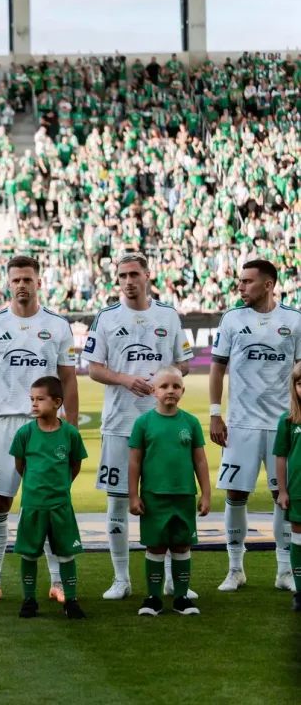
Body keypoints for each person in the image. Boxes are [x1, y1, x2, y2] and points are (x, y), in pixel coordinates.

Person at [0, 256, 78, 605]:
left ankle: (57, 581)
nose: (21, 285)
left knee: (50, 502)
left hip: (46, 425)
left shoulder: (57, 325)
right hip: (4, 424)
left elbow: (69, 379)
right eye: (16, 279)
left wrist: (72, 427)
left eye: (27, 279)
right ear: (8, 284)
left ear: (38, 283)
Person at [85, 254, 193, 600]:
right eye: (122, 276)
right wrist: (125, 379)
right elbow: (93, 368)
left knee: (166, 500)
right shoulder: (106, 317)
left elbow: (184, 364)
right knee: (118, 502)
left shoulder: (169, 315)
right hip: (120, 423)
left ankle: (173, 580)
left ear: (147, 276)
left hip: (163, 423)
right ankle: (121, 579)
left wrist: (164, 378)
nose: (128, 281)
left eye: (134, 274)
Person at [210, 259, 301, 592]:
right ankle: (235, 568)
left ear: (268, 284)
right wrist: (215, 413)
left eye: (247, 281)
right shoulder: (232, 319)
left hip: (282, 423)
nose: (240, 287)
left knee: (282, 495)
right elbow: (217, 367)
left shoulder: (294, 320)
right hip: (241, 423)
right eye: (240, 281)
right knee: (236, 494)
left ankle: (284, 570)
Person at [127, 367, 211, 617]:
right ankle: (153, 598)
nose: (170, 390)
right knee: (155, 547)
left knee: (182, 546)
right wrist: (134, 495)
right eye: (164, 386)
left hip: (184, 496)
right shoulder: (143, 423)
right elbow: (134, 461)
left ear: (183, 390)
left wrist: (206, 493)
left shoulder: (191, 422)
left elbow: (200, 460)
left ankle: (181, 597)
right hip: (154, 497)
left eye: (176, 386)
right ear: (153, 391)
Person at [11, 376, 87, 620]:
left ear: (57, 403)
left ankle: (71, 600)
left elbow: (75, 465)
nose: (34, 404)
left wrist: (61, 486)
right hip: (32, 505)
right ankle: (29, 600)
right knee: (29, 553)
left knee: (66, 553)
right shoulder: (24, 433)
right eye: (32, 399)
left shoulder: (70, 434)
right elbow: (20, 465)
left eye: (40, 399)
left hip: (60, 505)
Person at [272, 362, 301, 612]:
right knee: (298, 540)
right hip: (298, 491)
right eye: (300, 384)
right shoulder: (289, 420)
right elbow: (280, 457)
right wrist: (282, 490)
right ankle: (300, 591)